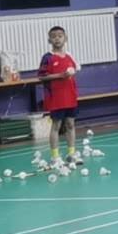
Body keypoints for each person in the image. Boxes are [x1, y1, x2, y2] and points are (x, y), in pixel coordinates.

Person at [37, 25, 81, 166]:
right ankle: (55, 157)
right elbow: (41, 76)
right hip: (56, 98)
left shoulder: (69, 56)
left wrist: (71, 72)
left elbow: (75, 69)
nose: (57, 39)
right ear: (49, 40)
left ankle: (71, 154)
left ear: (65, 38)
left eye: (60, 36)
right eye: (54, 36)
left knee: (70, 124)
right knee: (56, 125)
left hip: (70, 96)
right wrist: (60, 75)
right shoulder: (47, 57)